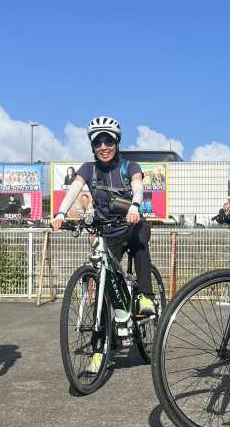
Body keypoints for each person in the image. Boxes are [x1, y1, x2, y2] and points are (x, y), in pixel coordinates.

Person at [52, 116, 156, 317]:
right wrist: (61, 213)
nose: (103, 147)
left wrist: (134, 207)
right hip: (109, 230)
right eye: (97, 142)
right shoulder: (88, 169)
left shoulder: (130, 166)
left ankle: (145, 296)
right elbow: (73, 190)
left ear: (116, 143)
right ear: (92, 146)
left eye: (108, 141)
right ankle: (105, 337)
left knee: (140, 244)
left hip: (132, 225)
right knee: (106, 282)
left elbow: (138, 187)